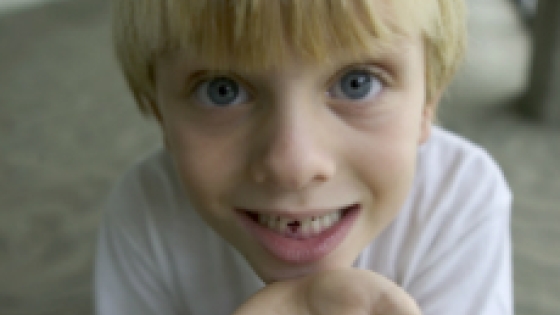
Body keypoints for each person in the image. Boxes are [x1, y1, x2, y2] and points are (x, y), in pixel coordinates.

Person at [95, 0, 512, 314]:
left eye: (357, 83)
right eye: (221, 90)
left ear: (428, 102)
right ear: (158, 111)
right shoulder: (144, 208)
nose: (293, 166)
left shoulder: (460, 195)